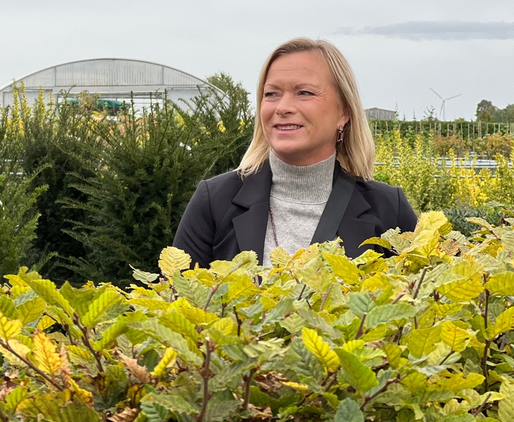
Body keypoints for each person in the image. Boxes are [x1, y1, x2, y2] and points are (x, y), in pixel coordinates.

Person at [173, 37, 417, 268]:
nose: (283, 107)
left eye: (304, 93)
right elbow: (175, 304)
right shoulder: (214, 201)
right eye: (271, 94)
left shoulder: (387, 209)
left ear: (343, 112)